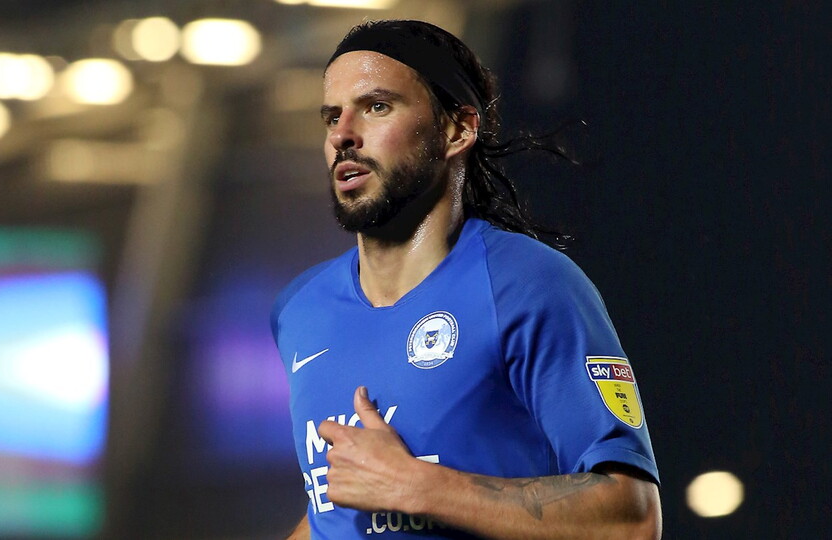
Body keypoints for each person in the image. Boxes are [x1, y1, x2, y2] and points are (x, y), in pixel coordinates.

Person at [270, 19, 661, 539]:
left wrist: (416, 486)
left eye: (377, 106)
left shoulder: (529, 286)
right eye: (332, 116)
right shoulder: (299, 309)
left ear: (457, 130)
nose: (343, 135)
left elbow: (631, 518)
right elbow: (334, 517)